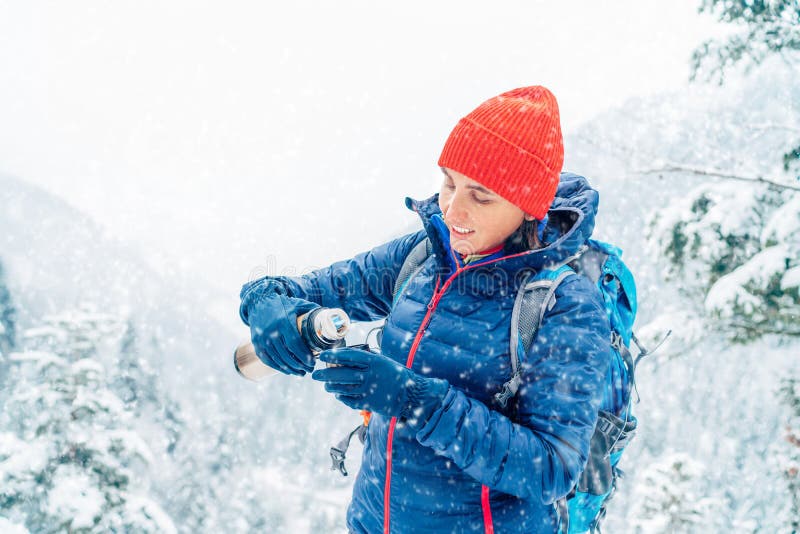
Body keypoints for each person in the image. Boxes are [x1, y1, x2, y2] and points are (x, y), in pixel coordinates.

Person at [238, 86, 611, 533]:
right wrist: (266, 303)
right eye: (449, 182)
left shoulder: (563, 306)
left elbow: (551, 468)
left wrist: (413, 401)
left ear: (529, 209)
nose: (452, 209)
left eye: (482, 195)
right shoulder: (423, 256)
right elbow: (311, 288)